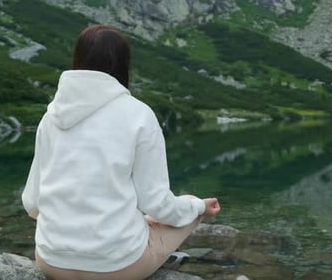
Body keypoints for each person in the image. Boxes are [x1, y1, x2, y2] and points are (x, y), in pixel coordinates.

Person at [21, 24, 221, 280]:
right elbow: (157, 204)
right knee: (189, 211)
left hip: (51, 261)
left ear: (78, 60)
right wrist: (197, 206)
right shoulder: (139, 115)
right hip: (116, 269)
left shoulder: (50, 117)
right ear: (123, 65)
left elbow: (32, 203)